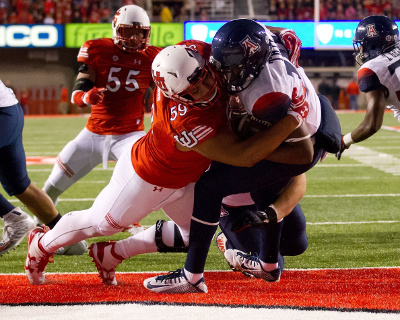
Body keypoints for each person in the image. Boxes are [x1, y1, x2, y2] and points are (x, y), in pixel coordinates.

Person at [24, 41, 310, 286]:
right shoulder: (187, 122)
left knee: (194, 235)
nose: (208, 88)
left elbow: (233, 41)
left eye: (206, 78)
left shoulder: (194, 55)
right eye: (194, 91)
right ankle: (41, 245)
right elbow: (244, 155)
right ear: (177, 96)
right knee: (101, 223)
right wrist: (294, 118)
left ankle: (110, 255)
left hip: (187, 177)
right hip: (150, 177)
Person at [143, 19, 341, 293]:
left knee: (212, 187)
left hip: (301, 141)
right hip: (303, 125)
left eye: (231, 68)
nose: (221, 75)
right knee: (251, 187)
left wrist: (295, 114)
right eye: (219, 65)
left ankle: (194, 275)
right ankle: (262, 265)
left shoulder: (265, 98)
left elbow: (296, 156)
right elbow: (277, 33)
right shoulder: (266, 49)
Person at [0, 79, 63, 256]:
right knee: (19, 185)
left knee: (20, 184)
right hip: (10, 111)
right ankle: (67, 235)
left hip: (3, 115)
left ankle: (14, 219)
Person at [338, 15, 400, 158]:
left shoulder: (373, 69)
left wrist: (344, 141)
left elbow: (371, 125)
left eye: (363, 44)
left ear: (373, 44)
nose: (360, 49)